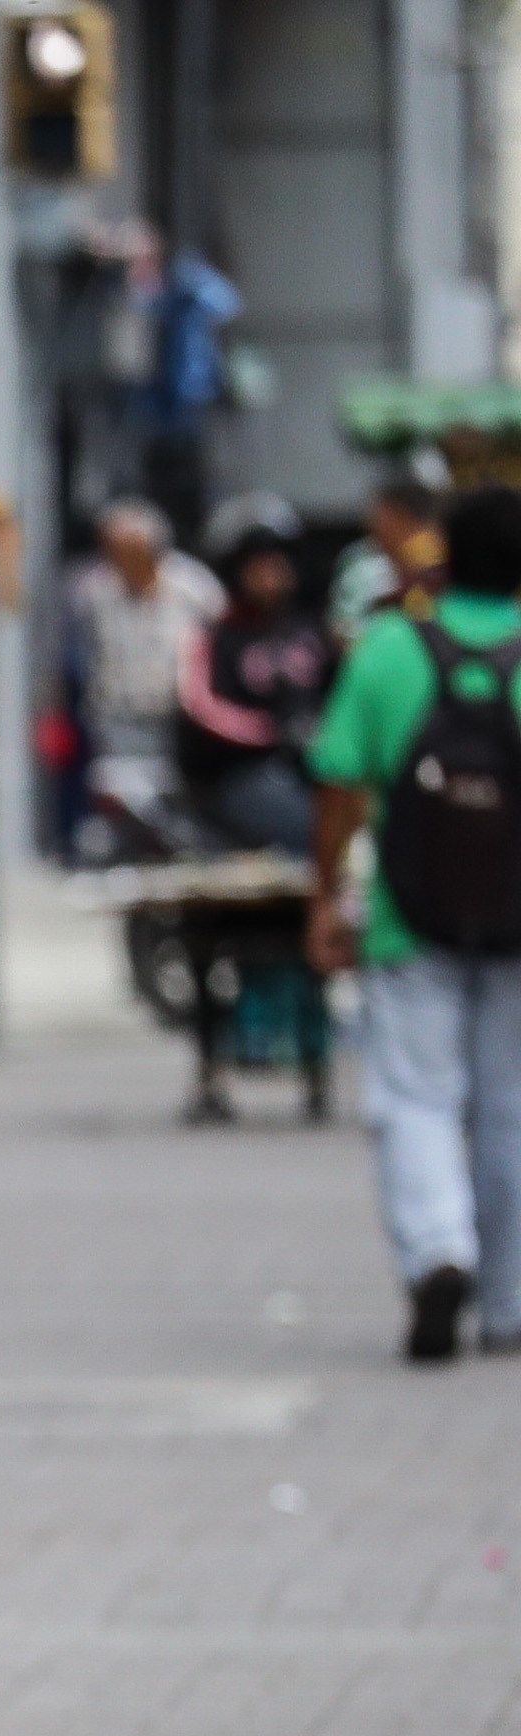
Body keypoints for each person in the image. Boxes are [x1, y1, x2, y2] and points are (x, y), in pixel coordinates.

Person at [306, 483, 521, 1362]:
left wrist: (327, 895)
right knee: (511, 1107)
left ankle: (438, 1250)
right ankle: (509, 1308)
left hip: (408, 917)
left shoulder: (390, 647)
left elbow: (338, 781)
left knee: (416, 1098)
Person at [69, 497, 224, 854]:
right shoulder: (93, 592)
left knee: (180, 815)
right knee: (120, 809)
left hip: (179, 720)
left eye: (128, 550)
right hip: (117, 719)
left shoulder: (195, 588)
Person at [178, 525, 335, 855]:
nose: (271, 577)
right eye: (260, 568)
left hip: (314, 764)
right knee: (307, 826)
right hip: (244, 770)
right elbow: (202, 707)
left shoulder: (312, 629)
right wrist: (271, 731)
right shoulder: (221, 637)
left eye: (278, 566)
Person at [332, 474, 445, 640]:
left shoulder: (433, 556)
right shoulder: (361, 560)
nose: (370, 524)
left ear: (397, 515)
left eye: (379, 517)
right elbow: (341, 631)